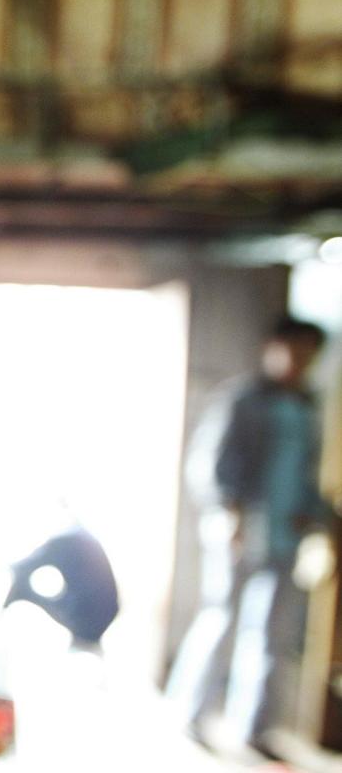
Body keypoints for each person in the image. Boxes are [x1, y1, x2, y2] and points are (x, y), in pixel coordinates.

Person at [167, 316, 332, 758]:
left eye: (308, 354)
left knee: (271, 635)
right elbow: (211, 466)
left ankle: (255, 726)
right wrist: (231, 514)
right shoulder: (244, 399)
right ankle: (189, 713)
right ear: (273, 348)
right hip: (238, 531)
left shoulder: (307, 406)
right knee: (220, 618)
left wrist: (321, 520)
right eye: (293, 350)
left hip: (284, 536)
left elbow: (306, 477)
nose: (299, 362)